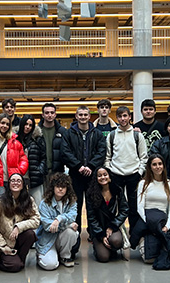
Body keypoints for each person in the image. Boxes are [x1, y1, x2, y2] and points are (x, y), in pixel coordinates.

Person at [61, 105, 106, 254]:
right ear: (76, 116)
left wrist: (91, 166)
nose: (83, 117)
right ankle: (75, 242)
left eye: (85, 115)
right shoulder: (69, 134)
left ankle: (96, 239)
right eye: (80, 115)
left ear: (89, 116)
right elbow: (65, 152)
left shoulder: (97, 133)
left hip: (92, 176)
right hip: (75, 176)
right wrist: (78, 166)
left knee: (94, 207)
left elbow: (101, 151)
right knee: (76, 208)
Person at [0, 173, 40, 272]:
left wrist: (18, 227)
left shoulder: (29, 200)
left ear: (23, 184)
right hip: (4, 242)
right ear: (8, 184)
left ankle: (19, 260)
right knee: (15, 266)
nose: (16, 183)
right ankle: (3, 257)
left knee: (30, 234)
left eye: (19, 181)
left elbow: (36, 219)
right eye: (13, 181)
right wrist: (3, 245)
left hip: (19, 238)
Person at [104, 106, 148, 228]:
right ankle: (118, 233)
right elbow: (107, 156)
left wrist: (139, 172)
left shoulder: (137, 136)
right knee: (116, 206)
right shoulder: (112, 135)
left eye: (125, 116)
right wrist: (110, 170)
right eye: (120, 116)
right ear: (116, 118)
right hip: (115, 174)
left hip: (134, 175)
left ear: (129, 117)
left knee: (134, 206)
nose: (123, 119)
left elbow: (144, 157)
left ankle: (133, 234)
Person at [130, 154, 170, 263]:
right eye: (154, 164)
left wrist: (167, 226)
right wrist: (150, 223)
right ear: (150, 167)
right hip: (147, 221)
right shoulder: (143, 183)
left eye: (160, 164)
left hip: (162, 222)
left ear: (164, 166)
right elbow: (140, 207)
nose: (157, 167)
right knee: (149, 259)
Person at [35, 173, 80, 270]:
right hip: (48, 239)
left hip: (61, 238)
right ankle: (41, 253)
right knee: (51, 265)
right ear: (53, 187)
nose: (61, 189)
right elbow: (48, 227)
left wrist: (59, 219)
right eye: (58, 186)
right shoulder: (44, 203)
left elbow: (72, 216)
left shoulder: (72, 201)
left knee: (72, 233)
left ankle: (65, 256)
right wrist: (67, 225)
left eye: (63, 187)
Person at [85, 167, 129, 263]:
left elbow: (124, 210)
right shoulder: (90, 194)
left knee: (116, 242)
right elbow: (91, 217)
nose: (103, 177)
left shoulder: (118, 191)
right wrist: (101, 235)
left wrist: (112, 226)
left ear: (109, 176)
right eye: (99, 175)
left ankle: (112, 248)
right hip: (98, 229)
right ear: (96, 178)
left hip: (113, 227)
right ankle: (99, 247)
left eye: (105, 174)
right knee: (103, 258)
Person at [16, 114, 47, 205]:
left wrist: (39, 170)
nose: (27, 127)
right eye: (26, 124)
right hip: (19, 177)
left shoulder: (37, 139)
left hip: (35, 177)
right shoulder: (15, 139)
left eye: (30, 125)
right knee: (20, 205)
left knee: (37, 204)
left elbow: (43, 157)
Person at [38, 102, 67, 174]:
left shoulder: (62, 131)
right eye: (47, 113)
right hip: (41, 171)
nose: (50, 115)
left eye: (52, 112)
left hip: (58, 170)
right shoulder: (36, 131)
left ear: (55, 115)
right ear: (43, 115)